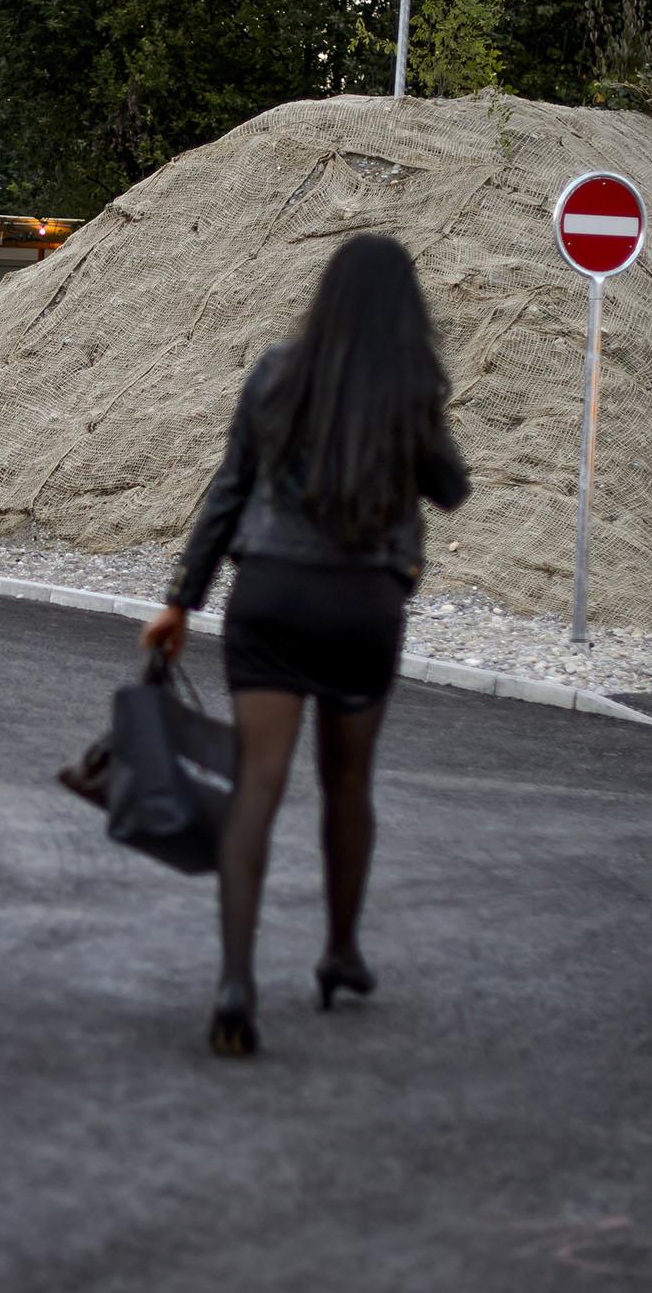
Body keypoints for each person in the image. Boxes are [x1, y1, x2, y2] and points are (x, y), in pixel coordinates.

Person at [140, 234, 470, 1058]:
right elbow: (452, 486)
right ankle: (342, 951)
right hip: (364, 603)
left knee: (258, 783)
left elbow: (229, 492)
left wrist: (181, 600)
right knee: (349, 780)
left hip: (271, 595)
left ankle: (235, 983)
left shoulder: (273, 375)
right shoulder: (411, 385)